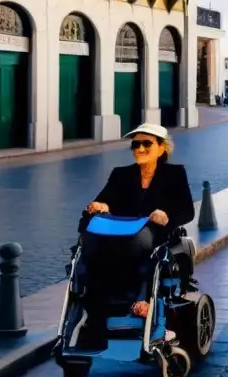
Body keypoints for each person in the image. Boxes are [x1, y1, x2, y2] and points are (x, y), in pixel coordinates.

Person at [82, 124, 195, 319]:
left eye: (146, 144)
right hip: (119, 235)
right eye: (136, 145)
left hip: (155, 235)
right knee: (94, 249)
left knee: (139, 247)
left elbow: (187, 211)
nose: (140, 149)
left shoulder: (175, 174)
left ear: (161, 148)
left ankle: (142, 298)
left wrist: (167, 215)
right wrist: (101, 205)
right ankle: (97, 306)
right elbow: (105, 199)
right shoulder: (120, 174)